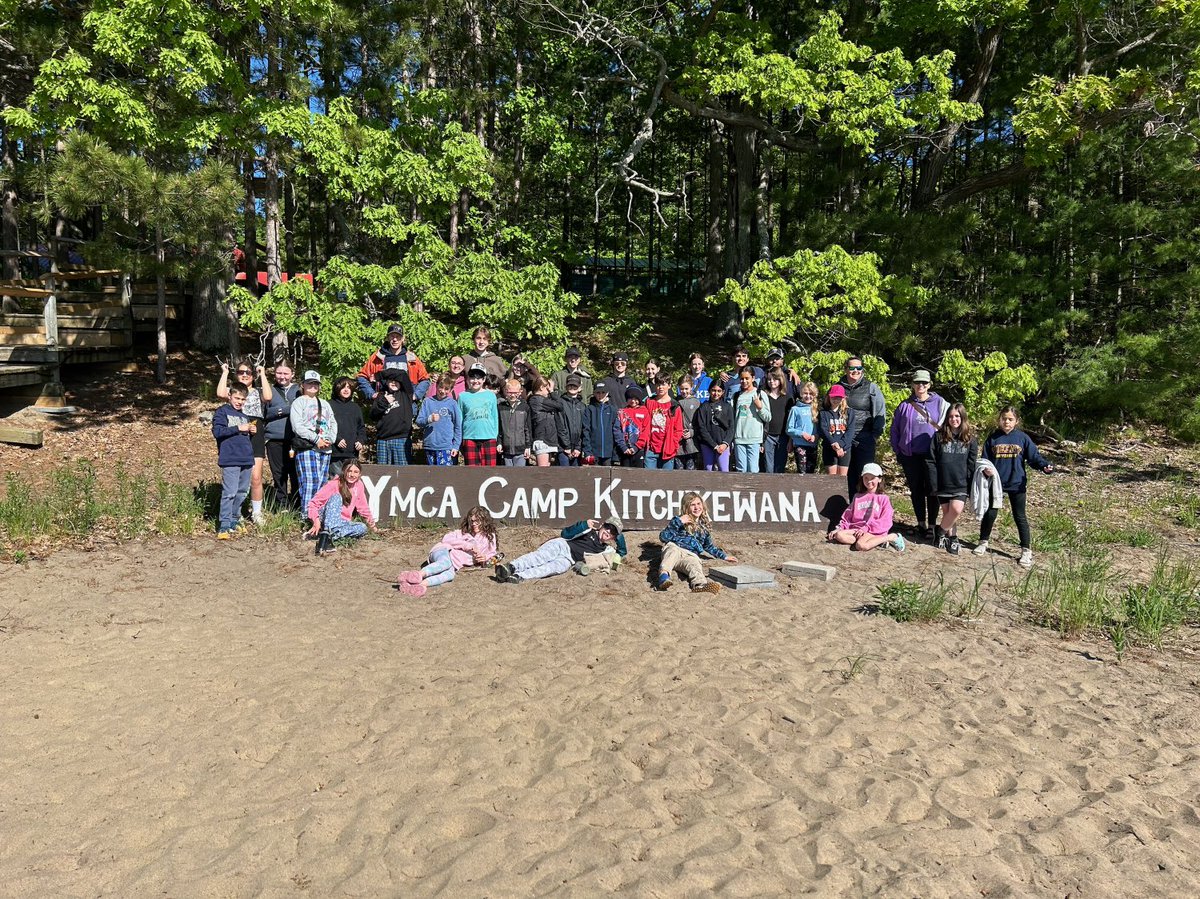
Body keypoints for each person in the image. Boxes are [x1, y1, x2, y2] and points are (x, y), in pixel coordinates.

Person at [976, 406, 1055, 568]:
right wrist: (985, 470)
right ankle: (983, 542)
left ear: (1016, 421)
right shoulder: (993, 438)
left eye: (1010, 419)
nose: (1007, 421)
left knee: (1020, 516)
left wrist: (1044, 466)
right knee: (990, 513)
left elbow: (1034, 458)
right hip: (997, 484)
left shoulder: (1023, 438)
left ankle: (1026, 550)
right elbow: (984, 460)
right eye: (1004, 418)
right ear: (999, 419)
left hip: (1017, 484)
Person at [890, 369, 949, 540]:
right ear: (913, 385)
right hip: (910, 454)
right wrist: (898, 450)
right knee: (916, 490)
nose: (921, 386)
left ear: (930, 384)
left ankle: (932, 525)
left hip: (932, 456)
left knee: (932, 490)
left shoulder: (940, 403)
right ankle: (921, 523)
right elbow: (895, 430)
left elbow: (950, 425)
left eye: (924, 383)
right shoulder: (905, 405)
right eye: (917, 383)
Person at [217, 357, 273, 524]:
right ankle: (236, 512)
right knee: (239, 477)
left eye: (248, 373)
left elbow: (268, 397)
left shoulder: (256, 391)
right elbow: (220, 393)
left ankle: (256, 512)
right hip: (237, 432)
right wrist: (225, 373)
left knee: (256, 476)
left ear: (253, 375)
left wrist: (262, 373)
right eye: (241, 372)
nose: (244, 375)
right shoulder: (233, 392)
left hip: (256, 431)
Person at [397, 506, 499, 597]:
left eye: (477, 521)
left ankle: (418, 585)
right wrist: (467, 545)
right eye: (472, 521)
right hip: (443, 551)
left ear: (485, 521)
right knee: (444, 563)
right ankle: (419, 574)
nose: (474, 524)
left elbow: (493, 553)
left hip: (454, 565)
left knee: (449, 575)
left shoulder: (489, 536)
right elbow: (446, 539)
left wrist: (485, 558)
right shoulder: (462, 533)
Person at [495, 517, 627, 583]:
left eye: (613, 533)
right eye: (608, 527)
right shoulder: (588, 529)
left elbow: (622, 551)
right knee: (540, 557)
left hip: (569, 560)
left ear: (614, 537)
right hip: (563, 545)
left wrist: (619, 537)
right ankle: (511, 567)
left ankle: (519, 577)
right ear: (603, 524)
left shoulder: (606, 549)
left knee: (552, 569)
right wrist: (582, 525)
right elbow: (565, 534)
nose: (608, 532)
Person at [657, 492, 738, 593]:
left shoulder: (704, 527)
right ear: (686, 507)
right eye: (693, 505)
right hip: (675, 549)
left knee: (695, 563)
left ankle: (700, 585)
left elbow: (709, 546)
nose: (696, 507)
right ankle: (663, 577)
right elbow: (663, 537)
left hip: (690, 555)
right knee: (671, 551)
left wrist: (724, 556)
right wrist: (678, 522)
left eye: (699, 504)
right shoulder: (678, 520)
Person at [926, 403, 977, 555]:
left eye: (957, 416)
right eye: (950, 416)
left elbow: (971, 464)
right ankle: (953, 537)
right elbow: (931, 461)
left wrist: (970, 484)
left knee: (956, 510)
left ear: (962, 417)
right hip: (943, 482)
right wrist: (933, 483)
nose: (954, 419)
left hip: (960, 483)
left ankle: (940, 531)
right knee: (948, 512)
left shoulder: (970, 439)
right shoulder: (938, 437)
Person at [826, 463, 906, 552]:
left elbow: (885, 521)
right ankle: (875, 542)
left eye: (872, 478)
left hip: (872, 531)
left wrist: (866, 528)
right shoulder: (857, 497)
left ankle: (891, 537)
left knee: (861, 545)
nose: (869, 481)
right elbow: (847, 516)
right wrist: (839, 528)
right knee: (839, 535)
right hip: (856, 530)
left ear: (879, 479)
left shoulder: (884, 499)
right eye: (866, 478)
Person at [289, 370, 338, 514]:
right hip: (308, 447)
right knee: (310, 482)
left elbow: (332, 421)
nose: (313, 386)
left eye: (315, 383)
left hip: (326, 448)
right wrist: (316, 439)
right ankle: (307, 515)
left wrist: (331, 439)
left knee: (322, 484)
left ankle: (320, 515)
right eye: (309, 383)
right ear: (302, 384)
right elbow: (297, 426)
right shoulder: (299, 402)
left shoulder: (324, 404)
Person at [306, 460, 378, 556]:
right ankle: (326, 534)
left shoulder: (359, 485)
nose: (352, 475)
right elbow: (313, 504)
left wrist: (372, 526)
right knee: (336, 497)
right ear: (344, 471)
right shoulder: (333, 484)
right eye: (349, 471)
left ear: (360, 474)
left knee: (363, 528)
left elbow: (363, 507)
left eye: (355, 472)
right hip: (325, 518)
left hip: (341, 522)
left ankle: (325, 536)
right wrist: (316, 521)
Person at [211, 382, 255, 539]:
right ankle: (224, 524)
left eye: (243, 399)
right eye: (237, 398)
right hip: (230, 458)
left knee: (242, 492)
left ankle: (234, 520)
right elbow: (218, 432)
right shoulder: (222, 412)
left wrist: (250, 431)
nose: (239, 402)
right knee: (229, 492)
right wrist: (239, 428)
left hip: (246, 458)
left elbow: (242, 436)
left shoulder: (244, 415)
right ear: (229, 396)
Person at [839, 355, 887, 498]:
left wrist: (874, 435)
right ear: (846, 369)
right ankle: (846, 510)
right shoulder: (838, 387)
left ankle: (866, 509)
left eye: (859, 368)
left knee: (865, 476)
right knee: (846, 476)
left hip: (865, 438)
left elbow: (880, 412)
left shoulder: (871, 387)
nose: (855, 371)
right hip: (843, 439)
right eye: (852, 367)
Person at [356, 324, 430, 401]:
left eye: (398, 336)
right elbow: (361, 377)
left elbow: (425, 380)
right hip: (384, 403)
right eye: (392, 336)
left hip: (407, 404)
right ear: (388, 338)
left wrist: (416, 395)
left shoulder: (411, 358)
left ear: (403, 338)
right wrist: (372, 394)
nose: (395, 339)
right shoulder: (378, 357)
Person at [262, 359, 300, 507]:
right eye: (279, 373)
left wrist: (278, 411)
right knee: (279, 474)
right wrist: (286, 409)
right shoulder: (268, 390)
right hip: (274, 439)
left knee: (296, 473)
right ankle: (282, 504)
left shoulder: (299, 390)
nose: (282, 376)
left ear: (292, 374)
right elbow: (264, 413)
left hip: (295, 439)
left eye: (285, 373)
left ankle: (297, 503)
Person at [370, 368, 415, 465]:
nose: (394, 382)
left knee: (403, 474)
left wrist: (378, 375)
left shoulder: (406, 394)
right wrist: (384, 402)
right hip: (383, 440)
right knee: (383, 474)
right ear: (386, 382)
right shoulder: (381, 395)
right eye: (391, 380)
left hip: (401, 439)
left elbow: (402, 374)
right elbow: (373, 415)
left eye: (396, 381)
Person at [458, 363, 500, 466]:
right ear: (468, 379)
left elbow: (495, 417)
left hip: (489, 436)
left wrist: (495, 436)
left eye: (479, 378)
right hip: (469, 437)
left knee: (489, 470)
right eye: (472, 377)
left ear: (484, 379)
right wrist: (460, 440)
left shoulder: (490, 395)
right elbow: (460, 419)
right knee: (472, 471)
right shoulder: (463, 396)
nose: (476, 381)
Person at [417, 373, 462, 465]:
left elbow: (458, 426)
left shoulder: (452, 404)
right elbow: (419, 421)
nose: (442, 391)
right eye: (440, 387)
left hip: (446, 447)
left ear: (451, 389)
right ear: (436, 386)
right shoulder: (427, 402)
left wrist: (456, 446)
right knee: (432, 477)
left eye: (446, 389)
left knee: (445, 477)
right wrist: (429, 419)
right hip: (430, 446)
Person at [732, 367, 771, 473]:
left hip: (754, 438)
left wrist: (760, 407)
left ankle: (754, 490)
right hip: (739, 438)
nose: (744, 381)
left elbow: (768, 417)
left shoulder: (760, 394)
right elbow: (733, 418)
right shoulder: (736, 396)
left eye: (747, 378)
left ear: (753, 378)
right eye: (741, 378)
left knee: (753, 470)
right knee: (741, 470)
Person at [644, 376, 683, 469]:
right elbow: (644, 424)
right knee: (648, 479)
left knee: (666, 481)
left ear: (669, 386)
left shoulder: (674, 406)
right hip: (651, 448)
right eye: (658, 385)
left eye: (663, 384)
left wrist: (673, 444)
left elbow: (678, 429)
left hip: (668, 448)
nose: (660, 387)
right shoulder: (649, 402)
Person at [329, 376, 366, 476]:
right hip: (335, 453)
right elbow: (325, 428)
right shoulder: (329, 405)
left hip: (352, 453)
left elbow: (361, 428)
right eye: (343, 387)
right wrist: (336, 439)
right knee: (336, 482)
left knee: (350, 482)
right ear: (337, 388)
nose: (346, 390)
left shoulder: (355, 407)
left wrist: (360, 441)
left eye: (349, 387)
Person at [695, 380, 733, 472]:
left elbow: (731, 427)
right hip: (707, 444)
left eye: (719, 391)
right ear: (709, 391)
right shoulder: (704, 407)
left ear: (723, 392)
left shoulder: (727, 407)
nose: (716, 393)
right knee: (708, 469)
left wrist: (725, 444)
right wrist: (714, 445)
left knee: (724, 470)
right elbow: (702, 428)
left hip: (723, 445)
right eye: (713, 390)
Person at [819, 384, 856, 477]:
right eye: (833, 397)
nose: (835, 400)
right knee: (832, 478)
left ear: (843, 398)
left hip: (844, 448)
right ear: (829, 397)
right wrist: (834, 444)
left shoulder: (849, 412)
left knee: (842, 477)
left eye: (839, 397)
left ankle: (840, 493)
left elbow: (851, 430)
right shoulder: (824, 413)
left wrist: (841, 445)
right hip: (829, 447)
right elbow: (823, 430)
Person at [527, 376, 564, 467]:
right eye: (547, 388)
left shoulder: (542, 400)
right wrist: (552, 391)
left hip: (549, 439)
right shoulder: (537, 400)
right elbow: (560, 405)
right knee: (543, 471)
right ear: (541, 387)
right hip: (543, 440)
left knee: (548, 470)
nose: (549, 391)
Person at [786, 381, 820, 474]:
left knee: (811, 472)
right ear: (801, 393)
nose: (808, 396)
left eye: (811, 394)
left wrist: (816, 436)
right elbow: (789, 429)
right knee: (802, 472)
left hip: (813, 445)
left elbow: (820, 428)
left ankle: (810, 489)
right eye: (805, 393)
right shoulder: (795, 409)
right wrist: (801, 434)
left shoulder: (817, 409)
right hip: (800, 445)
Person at [498, 378, 533, 466]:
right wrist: (499, 443)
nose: (513, 395)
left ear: (520, 392)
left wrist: (528, 446)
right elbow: (499, 428)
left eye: (515, 393)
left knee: (519, 476)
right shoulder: (501, 407)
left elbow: (527, 428)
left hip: (520, 449)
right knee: (508, 475)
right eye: (510, 392)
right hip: (506, 448)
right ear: (506, 391)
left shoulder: (525, 407)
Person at [762, 368, 791, 473]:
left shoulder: (788, 398)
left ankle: (779, 489)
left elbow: (791, 420)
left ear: (781, 380)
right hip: (768, 435)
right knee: (768, 467)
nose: (772, 381)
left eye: (775, 379)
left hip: (783, 436)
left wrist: (790, 440)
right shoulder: (764, 396)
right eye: (769, 379)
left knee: (780, 467)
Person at [582, 379, 617, 465]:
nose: (600, 395)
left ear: (607, 393)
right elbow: (585, 431)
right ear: (594, 393)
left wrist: (615, 454)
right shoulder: (589, 409)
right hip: (594, 452)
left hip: (608, 453)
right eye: (598, 393)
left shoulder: (612, 410)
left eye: (603, 392)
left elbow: (616, 431)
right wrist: (587, 451)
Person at [614, 385, 651, 467]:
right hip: (624, 449)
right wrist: (623, 446)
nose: (633, 401)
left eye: (635, 398)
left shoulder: (644, 412)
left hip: (639, 449)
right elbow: (617, 430)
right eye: (630, 398)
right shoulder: (621, 412)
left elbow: (646, 431)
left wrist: (637, 447)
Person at [555, 374, 586, 465]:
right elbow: (560, 426)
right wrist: (566, 446)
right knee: (564, 476)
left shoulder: (583, 406)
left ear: (580, 388)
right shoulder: (560, 403)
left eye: (575, 385)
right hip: (563, 447)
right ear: (566, 386)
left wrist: (578, 447)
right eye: (570, 385)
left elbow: (584, 428)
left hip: (577, 449)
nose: (572, 387)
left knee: (575, 477)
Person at [675, 375, 702, 470]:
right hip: (678, 443)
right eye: (681, 388)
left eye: (686, 388)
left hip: (692, 444)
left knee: (691, 470)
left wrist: (691, 432)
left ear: (692, 387)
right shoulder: (675, 401)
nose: (684, 391)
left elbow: (700, 424)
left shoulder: (696, 403)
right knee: (679, 470)